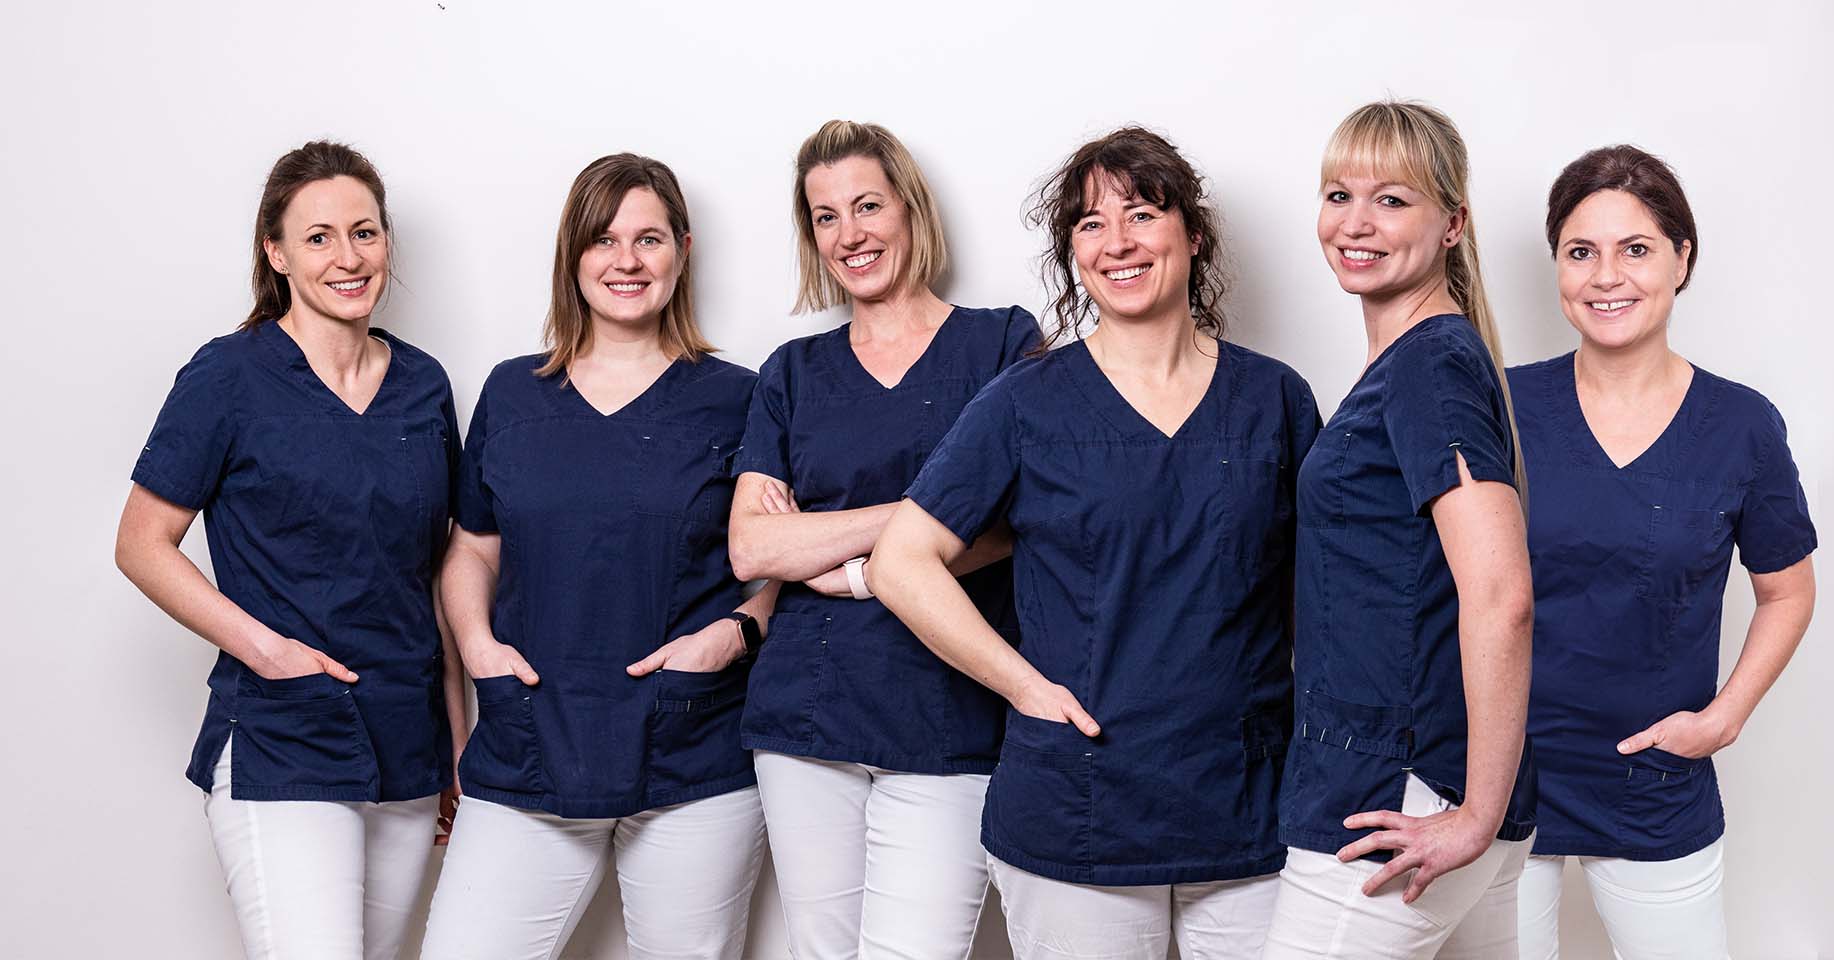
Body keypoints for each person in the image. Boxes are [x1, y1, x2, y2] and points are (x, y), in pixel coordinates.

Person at [870, 126, 1321, 959]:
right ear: (1073, 254)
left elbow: (1312, 600)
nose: (1117, 242)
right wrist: (1023, 687)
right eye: (1090, 224)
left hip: (1247, 801)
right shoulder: (1025, 402)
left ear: (1193, 233)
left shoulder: (1275, 399)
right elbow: (901, 561)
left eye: (1142, 213)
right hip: (1079, 803)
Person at [114, 141, 462, 960]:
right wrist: (268, 652)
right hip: (283, 735)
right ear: (276, 253)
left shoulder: (424, 385)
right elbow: (141, 543)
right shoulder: (228, 377)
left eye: (364, 232)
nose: (349, 258)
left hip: (407, 743)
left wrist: (454, 737)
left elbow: (433, 571)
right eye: (318, 237)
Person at [420, 153, 773, 960]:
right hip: (529, 736)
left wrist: (734, 634)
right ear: (572, 255)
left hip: (692, 750)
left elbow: (777, 559)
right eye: (603, 239)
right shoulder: (513, 393)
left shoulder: (741, 398)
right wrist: (477, 647)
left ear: (683, 250)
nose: (627, 261)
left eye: (649, 239)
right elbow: (473, 545)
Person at [727, 119, 1040, 959]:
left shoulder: (1003, 344)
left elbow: (1017, 523)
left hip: (951, 711)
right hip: (806, 717)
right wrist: (925, 518)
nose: (850, 234)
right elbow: (753, 549)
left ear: (910, 209)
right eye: (825, 216)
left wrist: (850, 562)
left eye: (867, 206)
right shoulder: (792, 372)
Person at [1510, 145, 1817, 959]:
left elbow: (1787, 591)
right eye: (1581, 252)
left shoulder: (1741, 425)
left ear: (1682, 259)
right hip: (1500, 775)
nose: (1606, 276)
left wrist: (1723, 719)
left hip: (1653, 780)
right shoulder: (1501, 404)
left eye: (1636, 249)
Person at [1262, 100, 1537, 959]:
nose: (1356, 223)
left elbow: (1502, 594)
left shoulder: (1429, 367)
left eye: (1391, 200)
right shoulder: (1421, 360)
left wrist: (1474, 815)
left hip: (1401, 800)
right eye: (1338, 195)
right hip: (1433, 793)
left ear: (1453, 223)